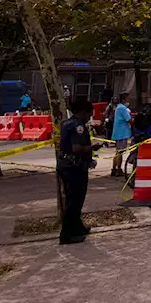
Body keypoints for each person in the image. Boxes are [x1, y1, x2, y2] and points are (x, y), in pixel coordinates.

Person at [57, 100, 99, 244]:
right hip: (73, 167)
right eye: (88, 115)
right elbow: (77, 148)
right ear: (82, 112)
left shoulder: (66, 123)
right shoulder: (78, 126)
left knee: (75, 199)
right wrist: (92, 147)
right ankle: (67, 234)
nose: (89, 118)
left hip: (66, 165)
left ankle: (77, 227)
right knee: (74, 200)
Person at [111, 92, 132, 177]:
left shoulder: (118, 107)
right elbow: (129, 119)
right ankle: (118, 170)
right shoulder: (123, 108)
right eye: (127, 98)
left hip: (118, 132)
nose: (128, 100)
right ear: (124, 99)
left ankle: (114, 169)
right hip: (122, 133)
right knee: (120, 152)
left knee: (118, 152)